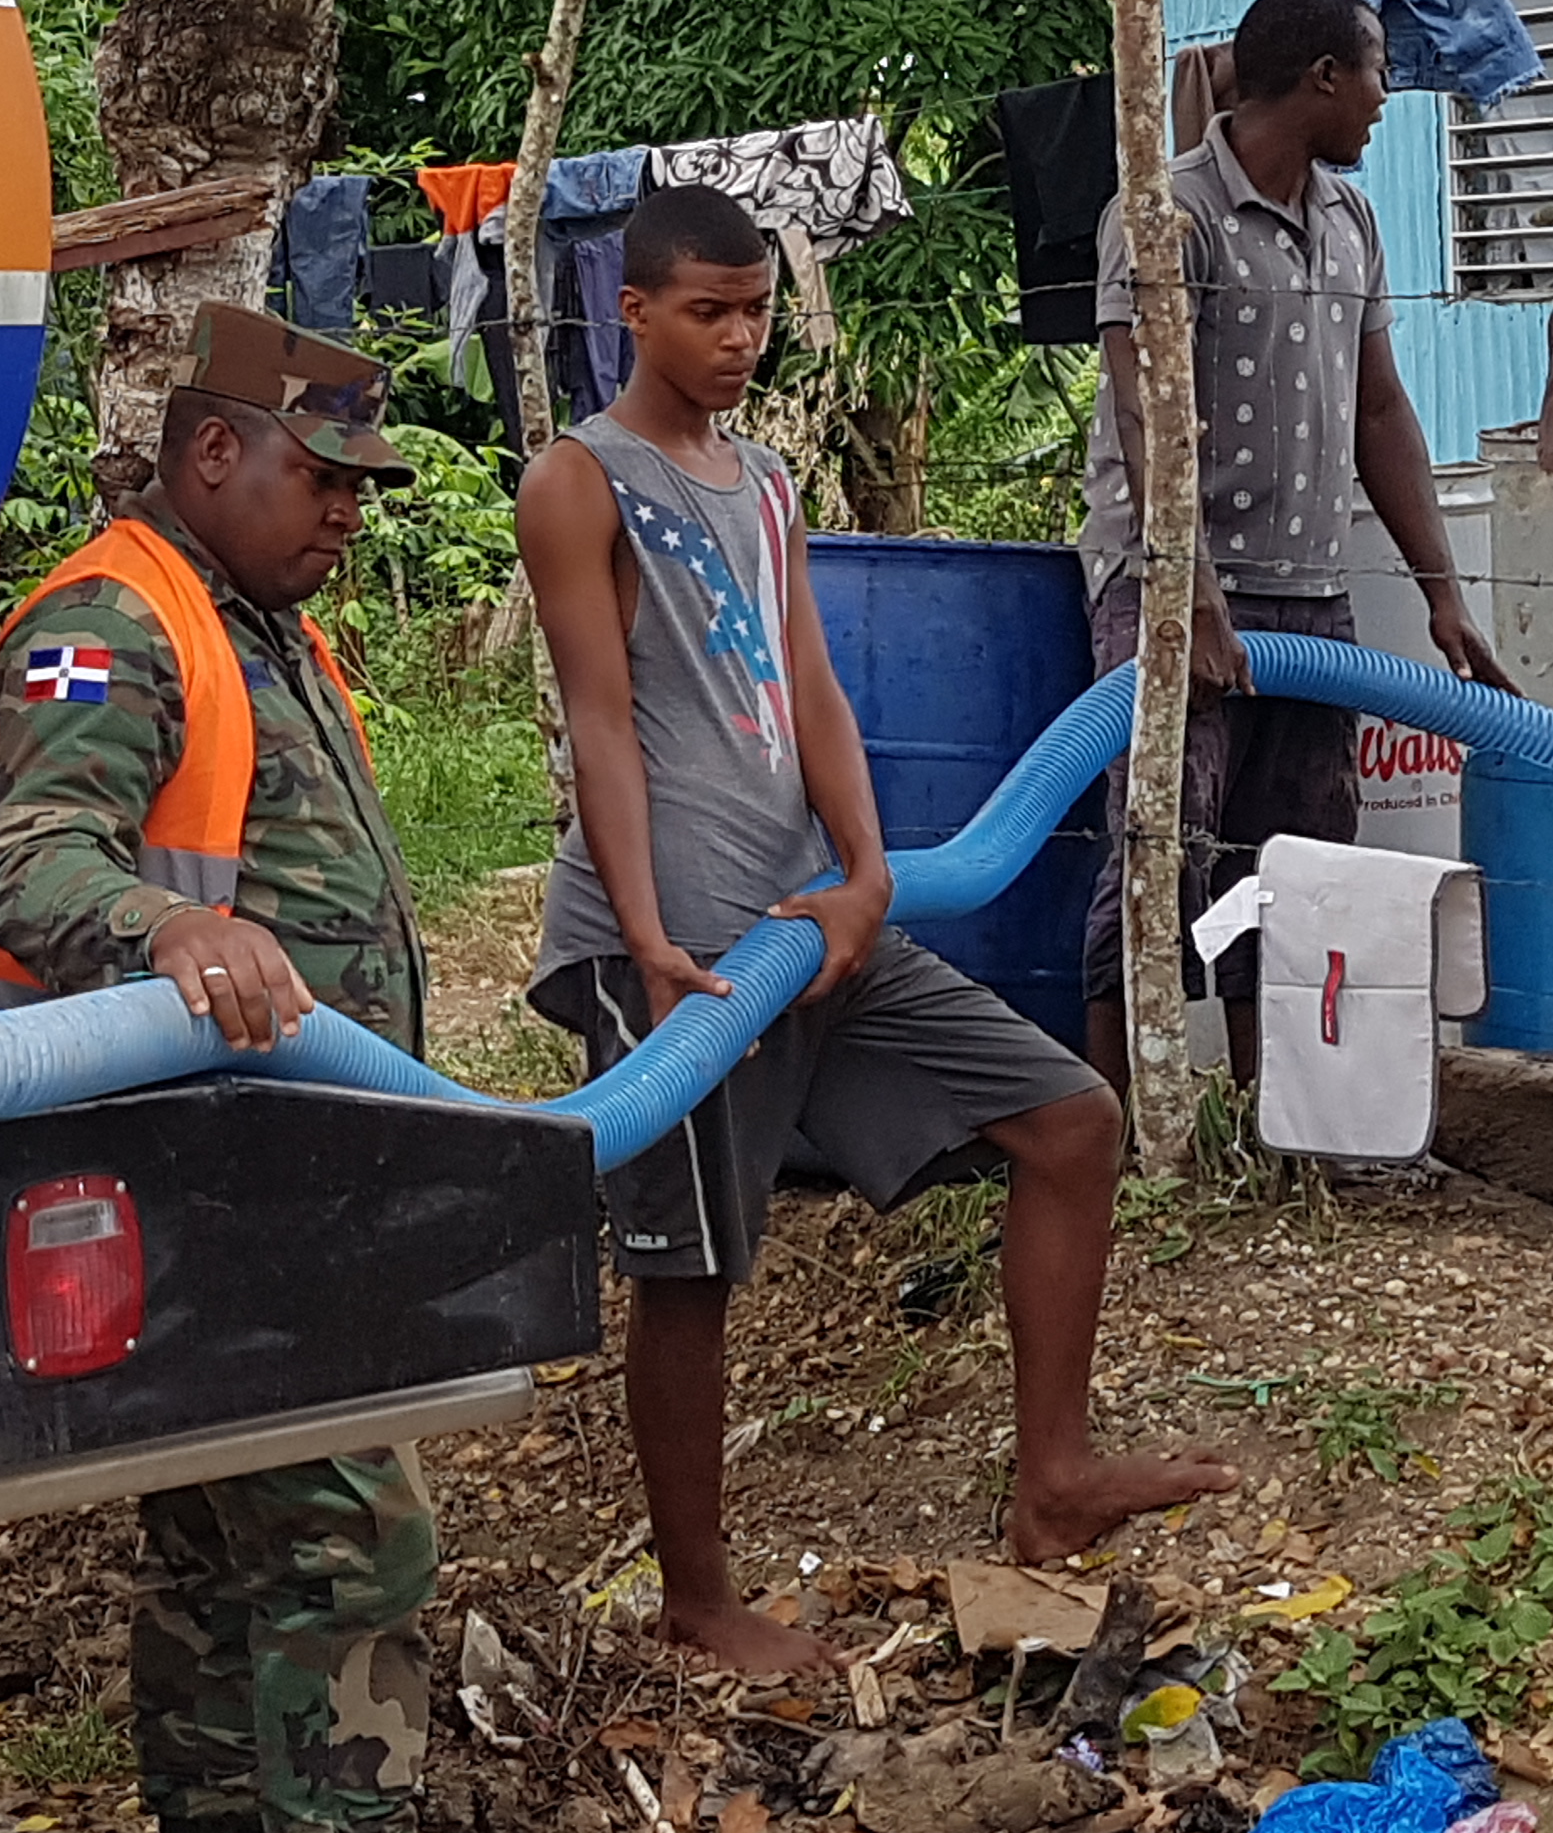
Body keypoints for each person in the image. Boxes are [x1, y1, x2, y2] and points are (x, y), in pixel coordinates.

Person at [519, 185, 1237, 1663]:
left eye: (757, 312)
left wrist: (863, 872)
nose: (736, 340)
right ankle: (700, 1604)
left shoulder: (766, 481)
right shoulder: (578, 481)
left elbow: (818, 692)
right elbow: (597, 722)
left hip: (813, 925)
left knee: (1070, 1120)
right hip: (680, 951)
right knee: (691, 1272)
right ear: (633, 311)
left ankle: (1054, 1482)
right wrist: (652, 945)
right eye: (707, 312)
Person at [0, 306, 432, 1833]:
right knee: (355, 1541)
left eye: (361, 486)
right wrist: (162, 934)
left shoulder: (255, 621)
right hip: (205, 1173)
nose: (345, 512)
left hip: (275, 1159)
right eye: (320, 474)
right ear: (213, 448)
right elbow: (30, 859)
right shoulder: (113, 621)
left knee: (217, 1552)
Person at [1080, 0, 1511, 1088]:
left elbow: (1379, 407)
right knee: (1158, 853)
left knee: (1295, 866)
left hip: (1311, 598)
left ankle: (1277, 1120)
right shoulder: (1166, 215)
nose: (1383, 98)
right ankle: (1123, 1143)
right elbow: (1144, 410)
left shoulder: (1347, 217)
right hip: (1172, 592)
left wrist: (1442, 591)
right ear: (1324, 77)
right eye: (1376, 72)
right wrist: (1194, 596)